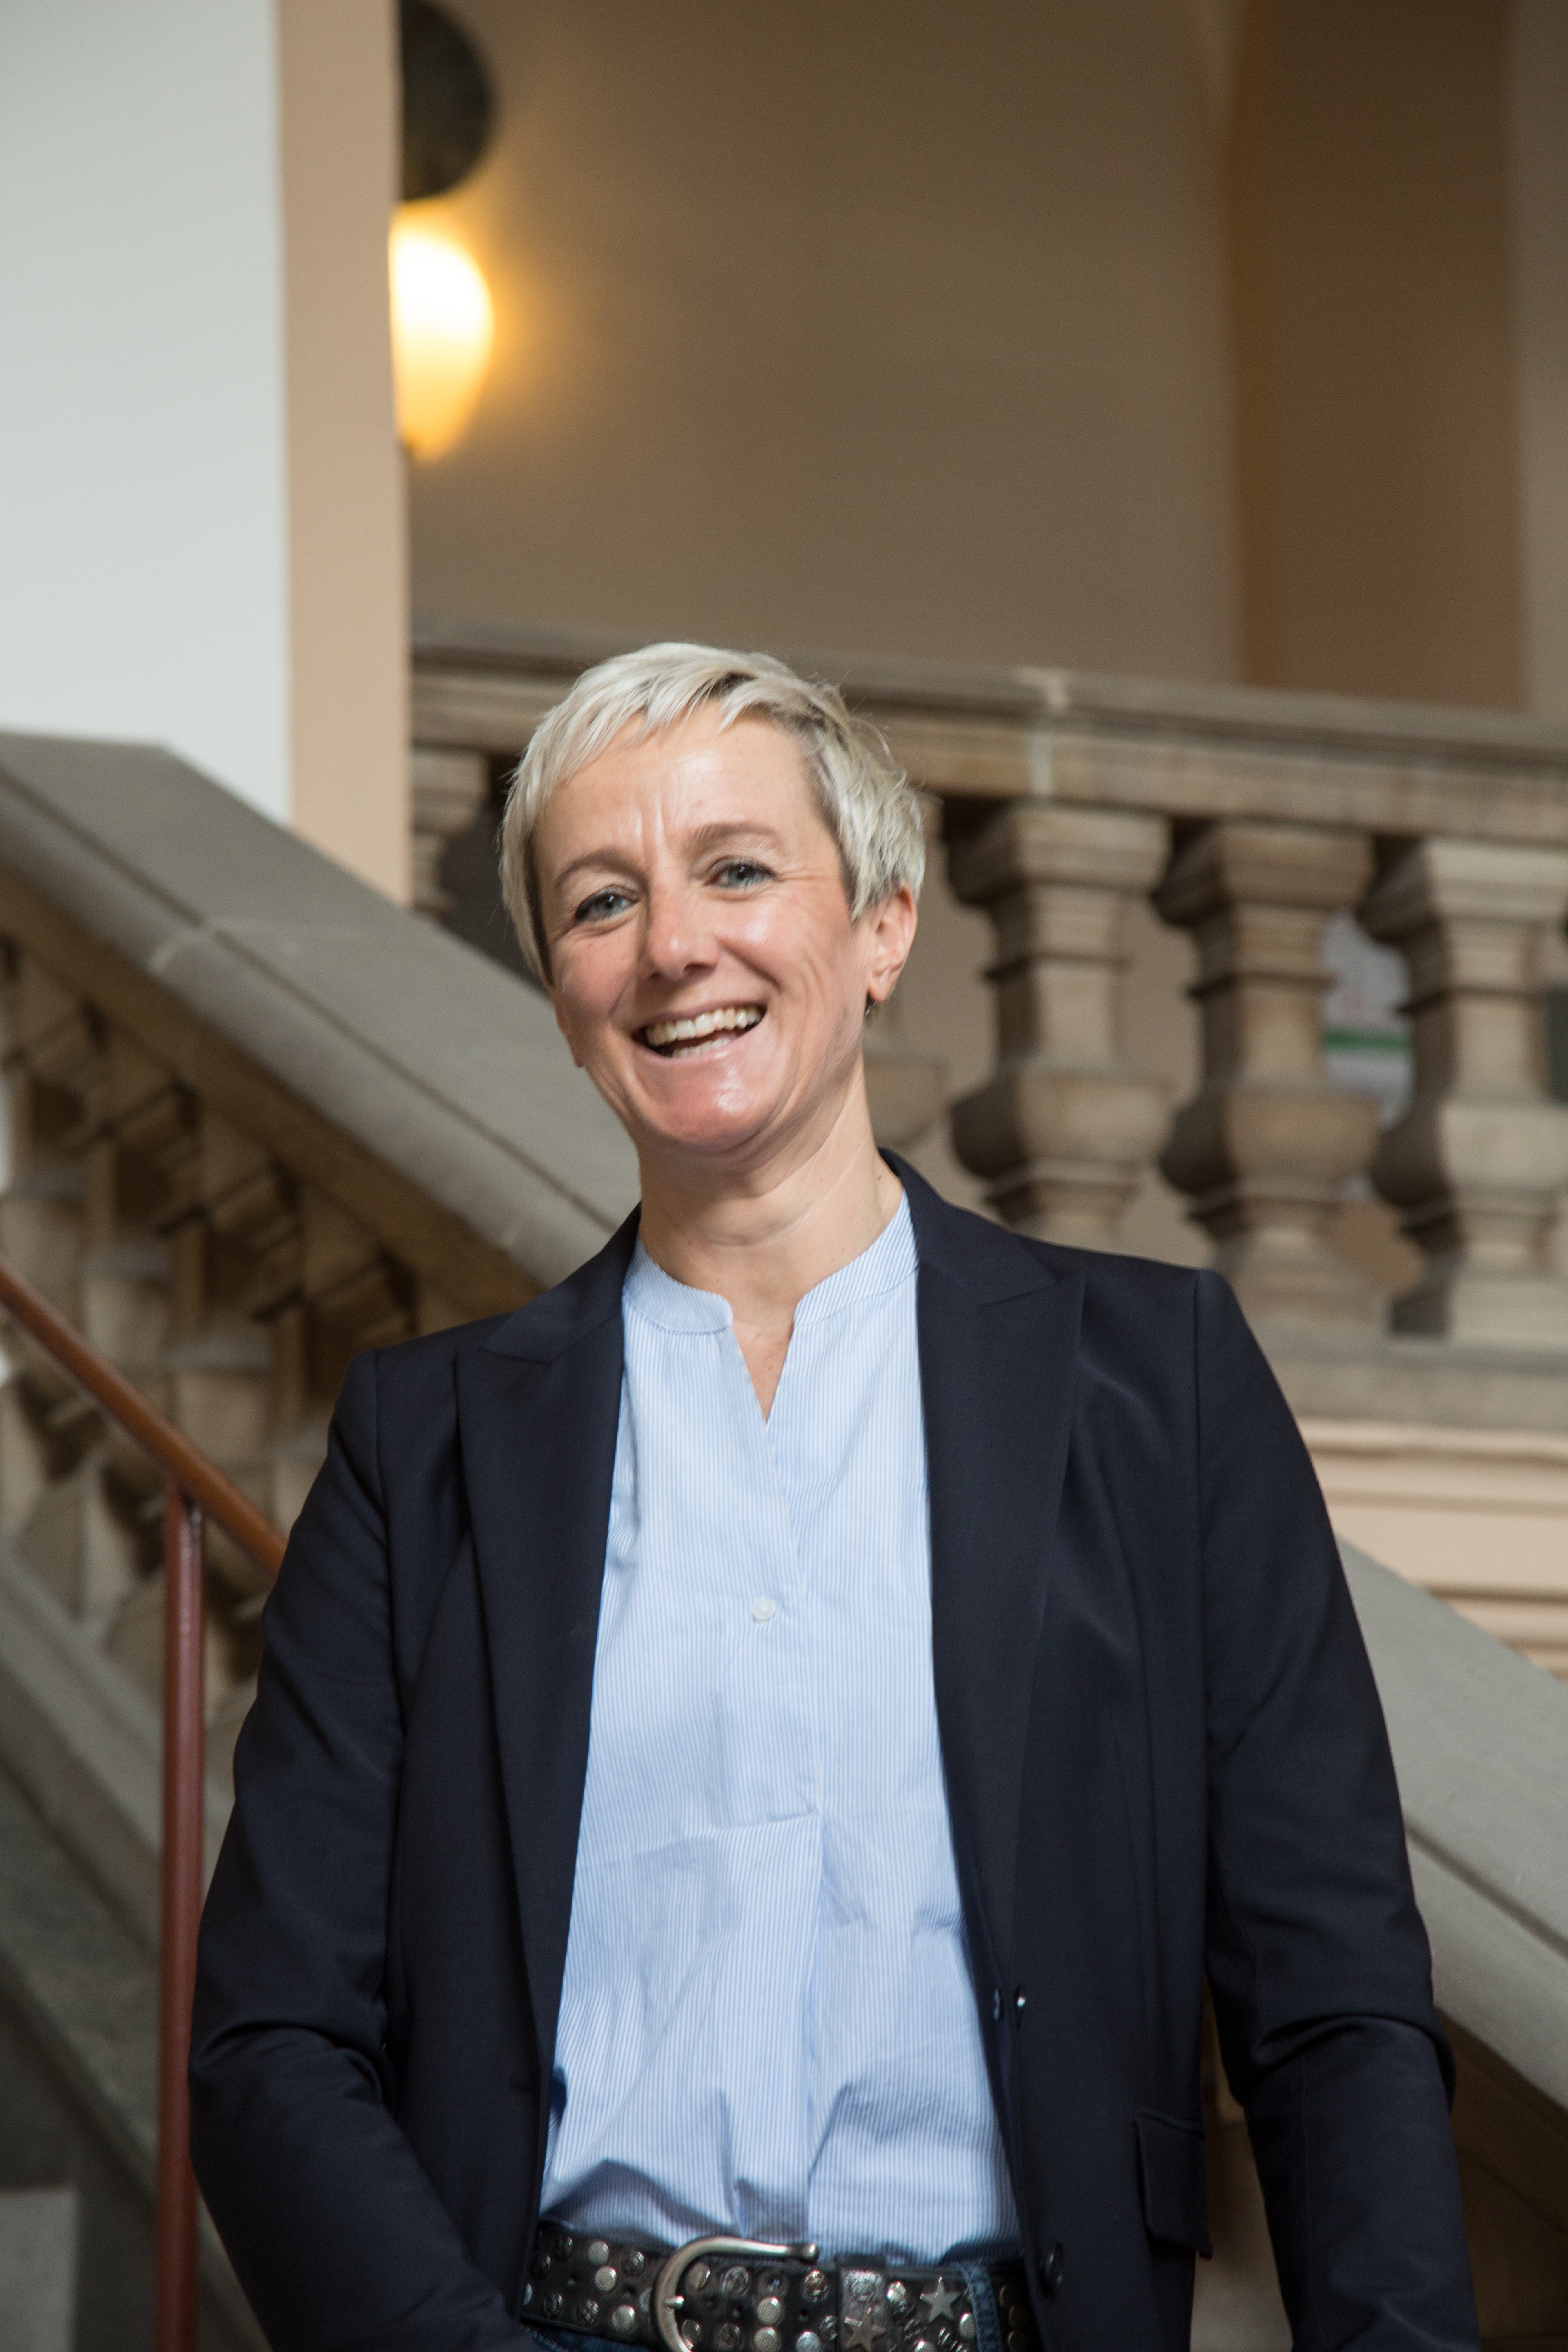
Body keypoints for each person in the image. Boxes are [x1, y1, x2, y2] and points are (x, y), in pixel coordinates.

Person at [190, 644, 1478, 2352]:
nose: (673, 946)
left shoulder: (1159, 1387)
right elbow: (272, 2041)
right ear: (562, 994)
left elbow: (1336, 2008)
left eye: (737, 869)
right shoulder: (421, 1448)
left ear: (884, 926)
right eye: (600, 902)